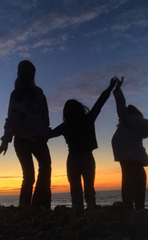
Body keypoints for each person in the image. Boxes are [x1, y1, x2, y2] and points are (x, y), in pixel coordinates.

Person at [49, 77, 118, 211]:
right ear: (80, 108)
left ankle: (78, 210)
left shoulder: (66, 126)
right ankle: (91, 209)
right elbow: (100, 103)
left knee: (75, 187)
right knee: (88, 186)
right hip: (87, 157)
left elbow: (48, 135)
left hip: (73, 158)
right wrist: (110, 88)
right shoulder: (88, 119)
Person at [0, 60, 51, 209]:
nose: (29, 74)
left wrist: (45, 130)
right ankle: (25, 207)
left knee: (46, 167)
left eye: (31, 71)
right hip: (22, 140)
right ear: (20, 74)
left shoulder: (39, 92)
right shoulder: (17, 94)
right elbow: (12, 117)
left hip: (39, 139)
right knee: (29, 175)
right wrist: (6, 140)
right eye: (25, 71)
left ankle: (40, 204)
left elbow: (45, 114)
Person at [111, 77, 148, 210]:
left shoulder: (130, 122)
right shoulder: (128, 127)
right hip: (130, 164)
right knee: (133, 193)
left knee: (132, 193)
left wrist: (117, 90)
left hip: (133, 164)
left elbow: (121, 108)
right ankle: (136, 217)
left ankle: (135, 217)